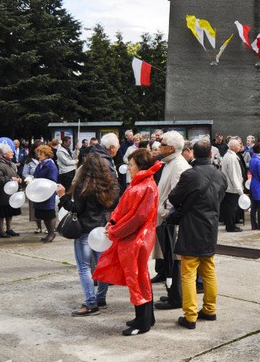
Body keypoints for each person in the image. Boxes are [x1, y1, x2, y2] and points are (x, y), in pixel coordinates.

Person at [94, 149, 160, 334]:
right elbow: (122, 207)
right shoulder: (138, 183)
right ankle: (144, 317)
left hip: (138, 238)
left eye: (131, 165)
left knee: (138, 277)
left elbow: (139, 217)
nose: (128, 168)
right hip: (131, 237)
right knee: (138, 277)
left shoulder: (146, 186)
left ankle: (143, 323)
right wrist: (113, 221)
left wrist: (116, 230)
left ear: (140, 165)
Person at [168, 139, 227, 329]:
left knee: (188, 272)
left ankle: (190, 315)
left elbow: (174, 197)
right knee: (208, 270)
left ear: (193, 153)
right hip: (210, 226)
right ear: (211, 154)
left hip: (192, 226)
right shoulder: (219, 175)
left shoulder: (190, 174)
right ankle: (209, 310)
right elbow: (221, 197)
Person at [154, 131, 191, 309]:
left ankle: (176, 298)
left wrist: (165, 211)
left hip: (170, 221)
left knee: (174, 259)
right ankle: (172, 294)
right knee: (168, 259)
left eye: (162, 144)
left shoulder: (178, 166)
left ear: (171, 148)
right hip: (164, 218)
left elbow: (176, 196)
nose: (159, 146)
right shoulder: (170, 163)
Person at [0, 145, 22, 238]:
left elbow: (16, 174)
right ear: (4, 154)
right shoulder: (0, 165)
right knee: (1, 214)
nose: (12, 153)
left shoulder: (10, 164)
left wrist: (19, 179)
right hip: (2, 194)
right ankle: (1, 231)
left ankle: (9, 229)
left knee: (10, 212)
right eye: (10, 152)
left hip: (10, 193)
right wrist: (10, 179)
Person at [33, 145, 59, 242]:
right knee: (44, 215)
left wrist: (39, 182)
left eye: (41, 154)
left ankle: (51, 234)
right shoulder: (40, 165)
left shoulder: (51, 166)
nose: (38, 156)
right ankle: (49, 233)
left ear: (47, 155)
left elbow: (52, 180)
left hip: (47, 194)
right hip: (40, 193)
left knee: (49, 214)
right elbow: (35, 175)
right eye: (38, 154)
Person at [221, 138, 244, 232]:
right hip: (232, 188)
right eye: (238, 145)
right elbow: (233, 175)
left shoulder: (229, 156)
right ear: (233, 147)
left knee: (229, 207)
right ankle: (231, 226)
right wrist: (239, 189)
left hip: (229, 187)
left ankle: (230, 225)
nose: (240, 146)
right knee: (231, 208)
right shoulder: (231, 157)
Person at [22, 144, 43, 234]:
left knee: (47, 208)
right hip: (34, 187)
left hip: (44, 186)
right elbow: (25, 173)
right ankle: (39, 226)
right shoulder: (29, 161)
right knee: (35, 207)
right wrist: (32, 179)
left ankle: (49, 226)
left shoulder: (46, 160)